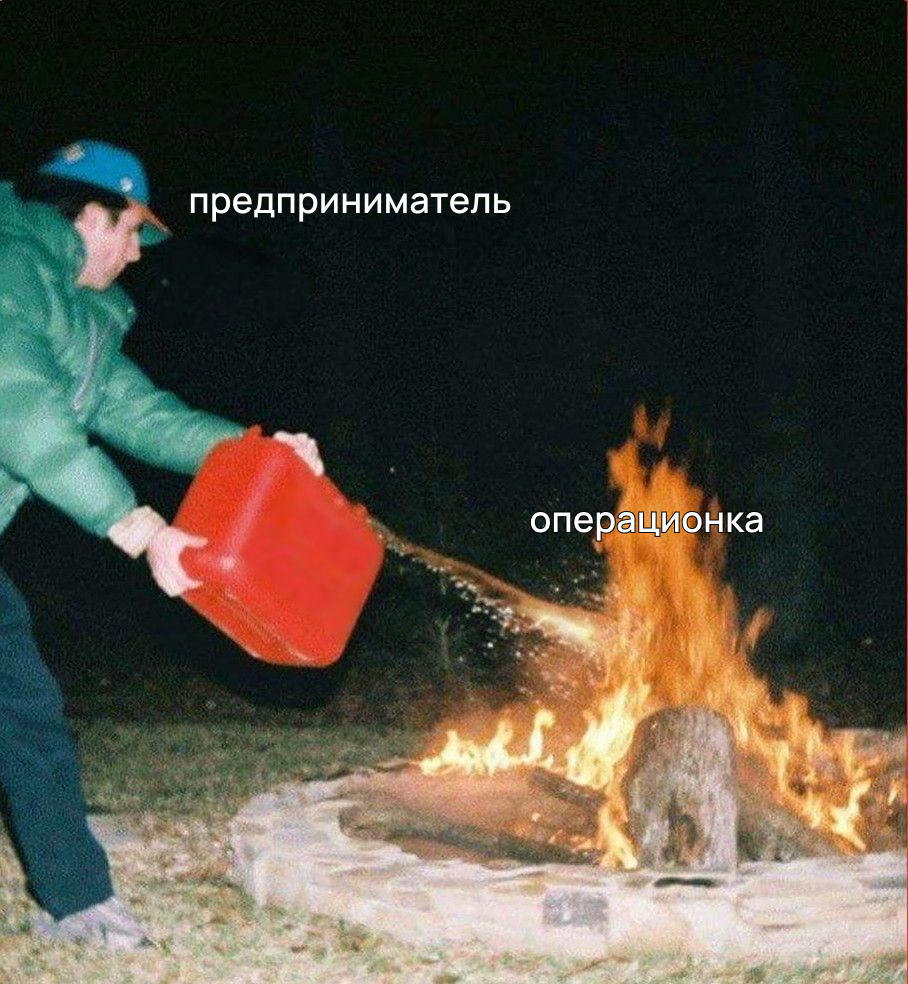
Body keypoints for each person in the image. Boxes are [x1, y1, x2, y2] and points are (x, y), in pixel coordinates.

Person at [0, 140, 323, 949]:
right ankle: (78, 902)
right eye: (133, 230)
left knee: (21, 708)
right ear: (90, 215)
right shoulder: (9, 268)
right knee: (21, 707)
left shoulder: (81, 316)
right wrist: (139, 526)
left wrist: (263, 455)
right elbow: (20, 411)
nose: (139, 253)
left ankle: (76, 902)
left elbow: (145, 417)